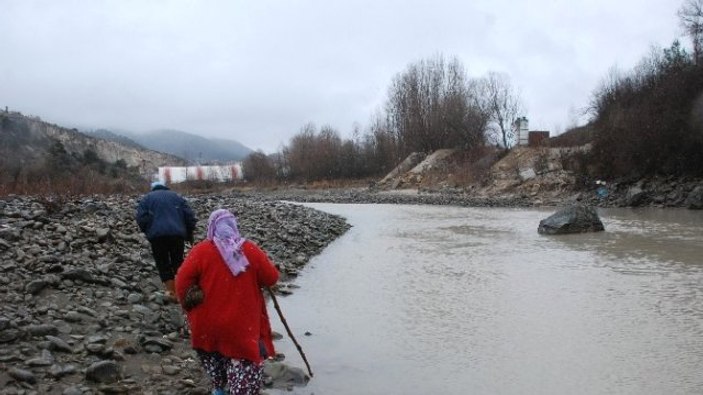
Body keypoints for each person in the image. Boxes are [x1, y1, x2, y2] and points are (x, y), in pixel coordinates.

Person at [175, 209, 279, 395]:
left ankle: (219, 388)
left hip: (208, 327)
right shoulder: (249, 250)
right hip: (241, 329)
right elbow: (271, 278)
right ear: (233, 226)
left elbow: (181, 282)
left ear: (212, 227)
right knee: (243, 367)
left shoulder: (200, 250)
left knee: (215, 358)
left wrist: (191, 306)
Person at [136, 181, 197, 299]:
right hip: (177, 235)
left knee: (162, 262)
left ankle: (171, 292)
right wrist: (189, 234)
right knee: (178, 261)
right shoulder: (176, 197)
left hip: (157, 236)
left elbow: (141, 218)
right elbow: (189, 216)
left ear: (152, 188)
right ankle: (182, 290)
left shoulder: (147, 199)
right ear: (165, 187)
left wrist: (148, 231)